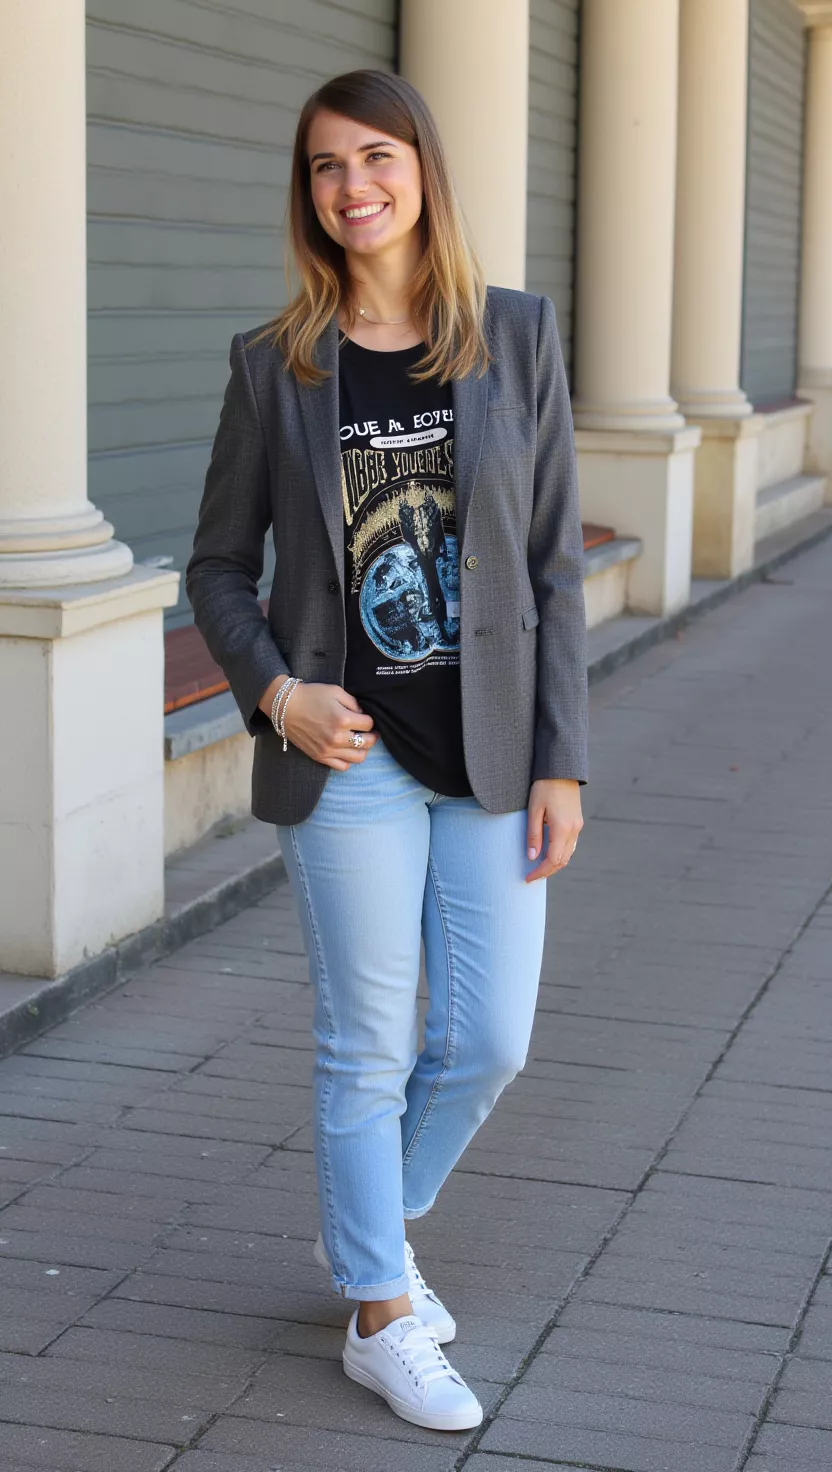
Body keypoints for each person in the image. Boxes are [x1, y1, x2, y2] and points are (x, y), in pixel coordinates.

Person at [187, 67, 588, 1435]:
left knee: (488, 1039)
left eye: (374, 158)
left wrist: (562, 760)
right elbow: (221, 567)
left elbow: (551, 568)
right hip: (346, 756)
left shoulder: (517, 338)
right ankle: (376, 1313)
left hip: (484, 749)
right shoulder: (275, 363)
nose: (351, 188)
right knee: (365, 1046)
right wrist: (275, 695)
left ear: (421, 168)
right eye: (323, 168)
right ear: (306, 195)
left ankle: (370, 1230)